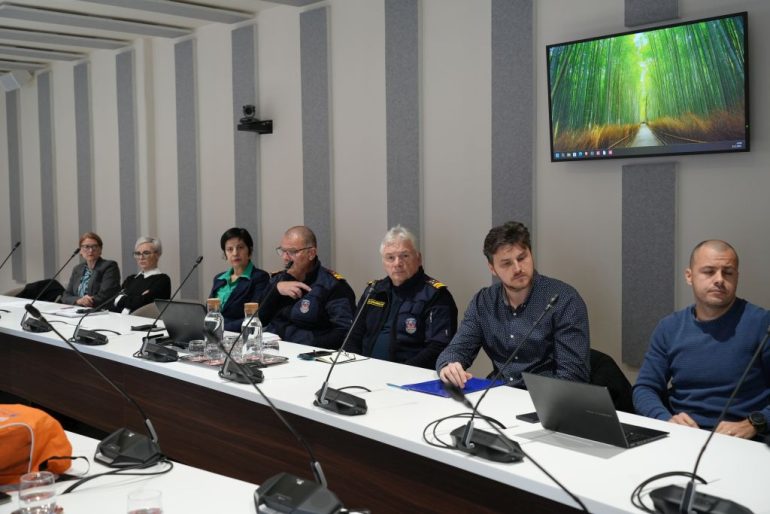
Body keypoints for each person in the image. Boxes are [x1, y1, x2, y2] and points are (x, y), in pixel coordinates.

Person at [633, 240, 770, 439]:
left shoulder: (762, 324)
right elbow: (645, 388)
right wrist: (666, 420)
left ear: (737, 277)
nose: (719, 279)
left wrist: (755, 423)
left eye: (728, 273)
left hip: (744, 439)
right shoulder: (669, 327)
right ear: (689, 276)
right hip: (682, 436)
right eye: (709, 271)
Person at [436, 221, 590, 388]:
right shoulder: (484, 302)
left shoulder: (564, 300)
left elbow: (573, 377)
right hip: (499, 393)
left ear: (531, 254)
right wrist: (449, 366)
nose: (517, 269)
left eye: (522, 258)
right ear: (492, 269)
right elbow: (455, 350)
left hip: (544, 396)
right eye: (507, 263)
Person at [346, 225, 458, 369]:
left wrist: (402, 373)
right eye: (390, 258)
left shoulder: (436, 296)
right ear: (383, 262)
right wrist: (355, 367)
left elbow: (438, 347)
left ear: (419, 258)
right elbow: (353, 337)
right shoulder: (374, 291)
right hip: (366, 371)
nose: (397, 263)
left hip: (411, 375)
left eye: (405, 256)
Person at [259, 226, 355, 349]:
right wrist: (276, 291)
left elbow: (345, 331)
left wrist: (306, 346)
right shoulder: (278, 280)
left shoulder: (333, 286)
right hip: (272, 350)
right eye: (283, 251)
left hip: (308, 353)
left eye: (292, 252)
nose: (285, 257)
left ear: (311, 253)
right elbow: (258, 320)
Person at [209, 227, 270, 332]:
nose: (235, 253)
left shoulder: (259, 277)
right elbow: (210, 312)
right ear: (225, 254)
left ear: (249, 251)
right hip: (213, 333)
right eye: (230, 249)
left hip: (238, 334)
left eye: (240, 247)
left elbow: (255, 316)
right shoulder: (219, 279)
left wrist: (221, 328)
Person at [110, 237, 172, 314]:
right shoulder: (131, 279)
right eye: (138, 253)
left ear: (157, 255)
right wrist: (136, 298)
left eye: (146, 253)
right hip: (118, 319)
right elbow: (114, 301)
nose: (141, 257)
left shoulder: (163, 280)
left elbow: (142, 304)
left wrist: (122, 299)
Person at [61, 232, 121, 307]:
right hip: (76, 309)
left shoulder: (109, 266)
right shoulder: (77, 269)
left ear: (100, 250)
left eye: (94, 246)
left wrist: (85, 302)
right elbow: (66, 295)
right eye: (86, 247)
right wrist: (78, 300)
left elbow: (106, 295)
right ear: (80, 251)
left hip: (99, 309)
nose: (90, 250)